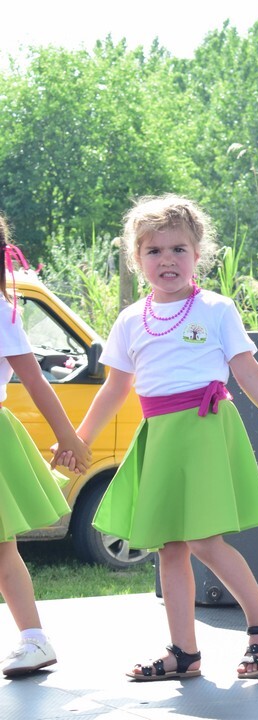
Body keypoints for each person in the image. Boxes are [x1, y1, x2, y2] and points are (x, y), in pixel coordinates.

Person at [74, 195, 258, 681]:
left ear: (198, 254)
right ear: (137, 259)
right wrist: (80, 439)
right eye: (154, 251)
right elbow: (115, 388)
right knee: (169, 546)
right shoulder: (130, 319)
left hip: (204, 431)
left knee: (204, 541)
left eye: (178, 249)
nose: (167, 260)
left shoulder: (215, 309)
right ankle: (184, 652)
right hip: (159, 436)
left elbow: (248, 371)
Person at [0, 215, 91, 677]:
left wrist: (68, 435)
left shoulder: (1, 312)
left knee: (2, 547)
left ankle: (34, 639)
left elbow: (35, 379)